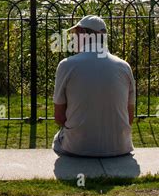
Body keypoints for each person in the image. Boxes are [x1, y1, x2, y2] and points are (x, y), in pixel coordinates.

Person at [53, 15, 136, 157]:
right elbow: (129, 117)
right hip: (120, 147)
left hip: (78, 148)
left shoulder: (67, 65)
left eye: (75, 34)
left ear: (83, 33)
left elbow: (59, 117)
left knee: (57, 139)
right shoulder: (124, 66)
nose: (73, 39)